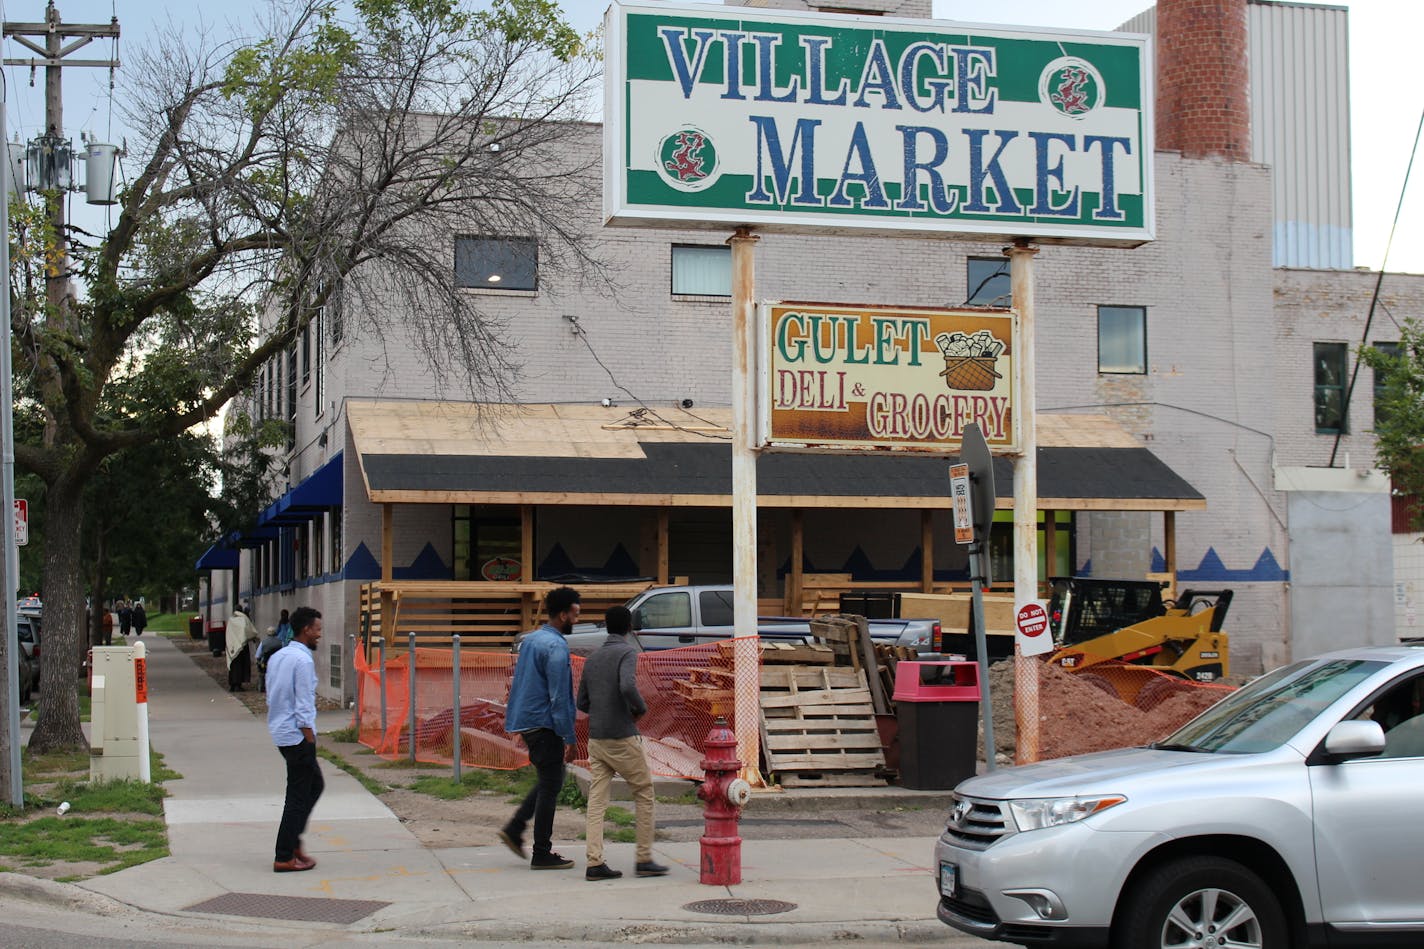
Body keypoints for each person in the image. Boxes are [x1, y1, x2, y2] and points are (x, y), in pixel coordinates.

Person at [578, 605, 667, 881]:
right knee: (643, 792)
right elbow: (627, 686)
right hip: (622, 736)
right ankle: (643, 858)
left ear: (606, 627)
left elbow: (581, 701)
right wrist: (639, 709)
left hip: (597, 738)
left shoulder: (593, 658)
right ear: (629, 628)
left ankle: (594, 862)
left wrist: (602, 708)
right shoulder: (628, 652)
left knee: (597, 800)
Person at [499, 586, 580, 871]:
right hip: (544, 724)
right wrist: (569, 737)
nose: (577, 620)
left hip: (528, 720)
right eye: (575, 614)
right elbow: (558, 696)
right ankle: (540, 852)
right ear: (562, 614)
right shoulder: (556, 647)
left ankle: (516, 827)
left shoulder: (532, 640)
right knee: (550, 783)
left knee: (551, 779)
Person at [265, 606, 324, 872]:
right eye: (317, 630)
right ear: (306, 630)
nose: (319, 635)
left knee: (314, 786)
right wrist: (309, 738)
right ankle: (285, 855)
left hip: (281, 731)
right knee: (298, 796)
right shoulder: (302, 661)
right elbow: (303, 704)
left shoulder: (279, 655)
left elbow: (271, 694)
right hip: (297, 735)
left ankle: (293, 842)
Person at [225, 606, 259, 692]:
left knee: (233, 666)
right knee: (240, 666)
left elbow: (228, 633)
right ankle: (237, 685)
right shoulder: (244, 619)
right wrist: (254, 637)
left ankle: (232, 684)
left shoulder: (231, 620)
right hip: (241, 647)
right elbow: (249, 631)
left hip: (232, 646)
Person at [256, 626, 284, 693]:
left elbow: (258, 655)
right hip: (278, 664)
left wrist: (259, 661)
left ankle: (262, 686)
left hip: (265, 664)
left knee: (261, 671)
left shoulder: (263, 643)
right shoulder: (281, 642)